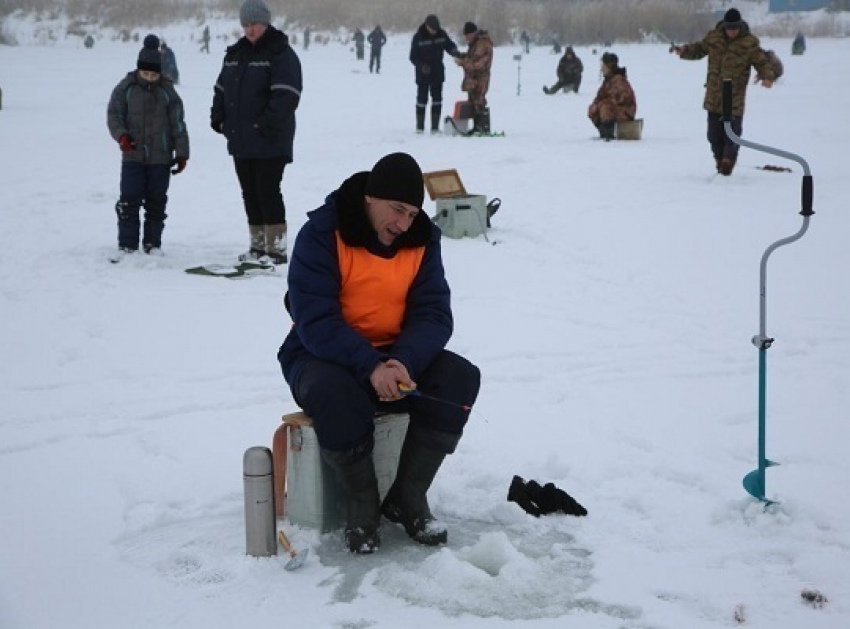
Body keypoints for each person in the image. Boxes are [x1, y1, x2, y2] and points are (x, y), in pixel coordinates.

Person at [278, 152, 481, 554]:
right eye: (397, 210)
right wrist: (370, 366)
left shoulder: (421, 240)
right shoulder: (322, 232)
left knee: (460, 377)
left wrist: (402, 361)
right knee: (338, 393)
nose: (404, 224)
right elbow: (315, 319)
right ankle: (363, 504)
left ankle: (408, 497)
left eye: (412, 214)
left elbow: (434, 313)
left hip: (395, 357)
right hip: (321, 355)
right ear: (370, 199)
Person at [210, 0, 302, 264]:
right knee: (249, 192)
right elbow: (221, 90)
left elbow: (287, 95)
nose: (250, 30)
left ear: (266, 23)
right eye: (246, 25)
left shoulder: (280, 53)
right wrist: (219, 119)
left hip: (270, 141)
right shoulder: (235, 54)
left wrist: (264, 125)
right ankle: (258, 247)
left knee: (268, 191)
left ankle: (276, 250)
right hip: (241, 141)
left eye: (255, 24)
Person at [107, 34, 189, 261]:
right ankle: (127, 245)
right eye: (146, 73)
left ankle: (153, 244)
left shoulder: (168, 93)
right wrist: (122, 136)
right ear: (139, 70)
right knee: (129, 201)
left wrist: (182, 153)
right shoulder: (126, 88)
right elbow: (114, 115)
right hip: (132, 155)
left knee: (156, 202)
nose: (150, 78)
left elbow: (178, 124)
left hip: (160, 159)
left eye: (154, 74)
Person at [671, 8, 774, 176]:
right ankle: (719, 160)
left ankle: (728, 163)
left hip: (735, 98)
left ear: (740, 27)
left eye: (735, 28)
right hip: (714, 96)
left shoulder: (749, 43)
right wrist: (684, 51)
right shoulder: (714, 38)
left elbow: (762, 62)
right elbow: (699, 49)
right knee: (713, 135)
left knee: (732, 135)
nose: (731, 31)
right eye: (728, 28)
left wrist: (767, 77)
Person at [409, 14, 461, 134]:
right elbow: (412, 57)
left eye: (435, 29)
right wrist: (421, 66)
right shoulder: (418, 37)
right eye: (432, 29)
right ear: (426, 26)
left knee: (437, 99)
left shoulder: (441, 34)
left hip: (437, 72)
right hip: (423, 74)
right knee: (422, 100)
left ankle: (435, 127)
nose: (434, 31)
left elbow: (449, 45)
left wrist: (454, 52)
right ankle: (420, 127)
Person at [587, 52, 636, 141]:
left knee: (605, 106)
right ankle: (605, 131)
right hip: (614, 112)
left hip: (625, 112)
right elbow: (599, 97)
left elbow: (621, 100)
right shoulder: (607, 81)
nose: (601, 69)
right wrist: (595, 105)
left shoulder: (618, 80)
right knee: (594, 108)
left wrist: (601, 104)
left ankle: (610, 132)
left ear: (609, 67)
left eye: (603, 66)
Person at [455, 22, 494, 134]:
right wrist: (462, 56)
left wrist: (462, 62)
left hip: (480, 78)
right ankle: (477, 126)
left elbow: (477, 64)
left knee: (479, 100)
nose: (466, 38)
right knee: (473, 101)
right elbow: (471, 58)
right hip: (474, 78)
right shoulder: (475, 43)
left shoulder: (482, 44)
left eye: (467, 35)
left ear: (473, 33)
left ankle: (482, 127)